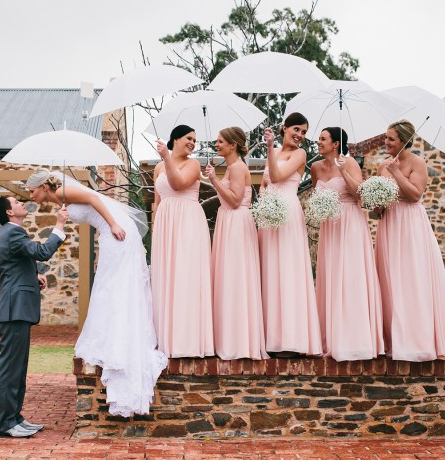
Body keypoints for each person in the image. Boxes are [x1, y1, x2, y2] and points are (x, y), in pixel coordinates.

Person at [26, 169, 167, 417]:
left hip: (115, 231)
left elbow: (94, 200)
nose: (30, 196)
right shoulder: (60, 199)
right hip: (108, 232)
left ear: (43, 187)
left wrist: (112, 224)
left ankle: (117, 338)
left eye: (31, 191)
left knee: (113, 286)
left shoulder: (62, 191)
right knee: (110, 286)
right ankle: (114, 333)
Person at [375, 120, 445, 361]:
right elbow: (378, 203)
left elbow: (414, 195)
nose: (386, 142)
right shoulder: (381, 165)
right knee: (389, 279)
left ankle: (416, 341)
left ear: (404, 140)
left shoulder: (417, 162)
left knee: (411, 278)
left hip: (410, 224)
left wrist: (395, 173)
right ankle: (392, 339)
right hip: (389, 223)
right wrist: (376, 205)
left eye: (391, 139)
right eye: (385, 138)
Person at [0, 195, 68, 438]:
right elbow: (43, 251)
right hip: (14, 309)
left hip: (16, 307)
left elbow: (11, 265)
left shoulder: (10, 233)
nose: (22, 203)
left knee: (18, 368)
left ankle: (15, 417)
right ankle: (5, 423)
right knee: (10, 369)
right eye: (15, 202)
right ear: (9, 213)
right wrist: (59, 225)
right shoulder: (13, 233)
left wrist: (32, 277)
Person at [311, 127, 384, 361]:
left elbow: (359, 195)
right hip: (329, 226)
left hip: (350, 223)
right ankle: (330, 337)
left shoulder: (350, 162)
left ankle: (355, 339)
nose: (318, 142)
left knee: (351, 278)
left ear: (335, 144)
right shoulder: (315, 168)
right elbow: (316, 197)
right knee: (331, 278)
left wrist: (343, 171)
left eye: (323, 139)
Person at [259, 113, 322, 356]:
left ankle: (290, 338)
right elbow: (264, 185)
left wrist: (268, 147)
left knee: (287, 269)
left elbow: (277, 177)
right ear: (284, 128)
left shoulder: (300, 154)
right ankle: (269, 337)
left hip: (288, 211)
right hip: (268, 213)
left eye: (304, 132)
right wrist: (263, 206)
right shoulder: (273, 152)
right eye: (297, 129)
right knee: (269, 269)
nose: (300, 135)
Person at [204, 127, 268, 360]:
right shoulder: (231, 167)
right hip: (228, 223)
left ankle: (239, 342)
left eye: (220, 142)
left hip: (237, 224)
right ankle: (229, 337)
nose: (216, 145)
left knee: (235, 278)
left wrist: (213, 180)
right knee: (227, 278)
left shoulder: (238, 167)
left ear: (233, 145)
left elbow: (234, 200)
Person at [152, 124, 214, 358]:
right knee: (166, 277)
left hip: (188, 222)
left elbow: (178, 184)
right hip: (166, 224)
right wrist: (156, 227)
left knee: (186, 275)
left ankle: (188, 340)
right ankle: (165, 338)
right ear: (175, 138)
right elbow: (158, 201)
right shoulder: (158, 167)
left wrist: (166, 157)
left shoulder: (193, 164)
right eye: (189, 138)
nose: (192, 143)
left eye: (194, 140)